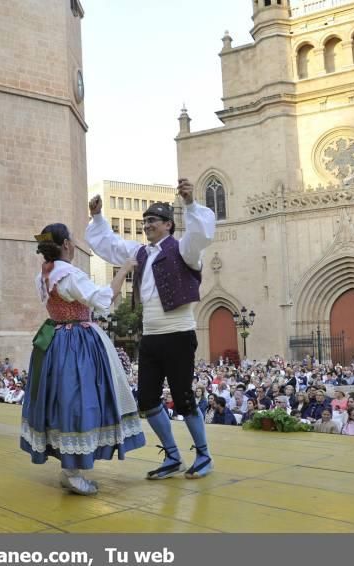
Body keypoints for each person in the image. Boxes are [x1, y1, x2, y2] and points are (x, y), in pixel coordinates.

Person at [86, 178, 216, 480]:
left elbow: (199, 235)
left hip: (179, 333)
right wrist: (97, 217)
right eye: (145, 222)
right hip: (151, 336)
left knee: (184, 398)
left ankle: (204, 455)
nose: (146, 226)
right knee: (146, 399)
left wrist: (191, 203)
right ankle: (172, 456)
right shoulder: (140, 253)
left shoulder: (184, 249)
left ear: (168, 225)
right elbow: (111, 245)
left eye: (152, 221)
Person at [21, 223, 145, 496]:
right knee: (79, 401)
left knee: (63, 399)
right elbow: (103, 299)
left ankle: (71, 468)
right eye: (74, 240)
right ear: (66, 245)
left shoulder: (45, 273)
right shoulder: (69, 274)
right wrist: (124, 269)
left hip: (55, 340)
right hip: (76, 342)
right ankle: (72, 471)